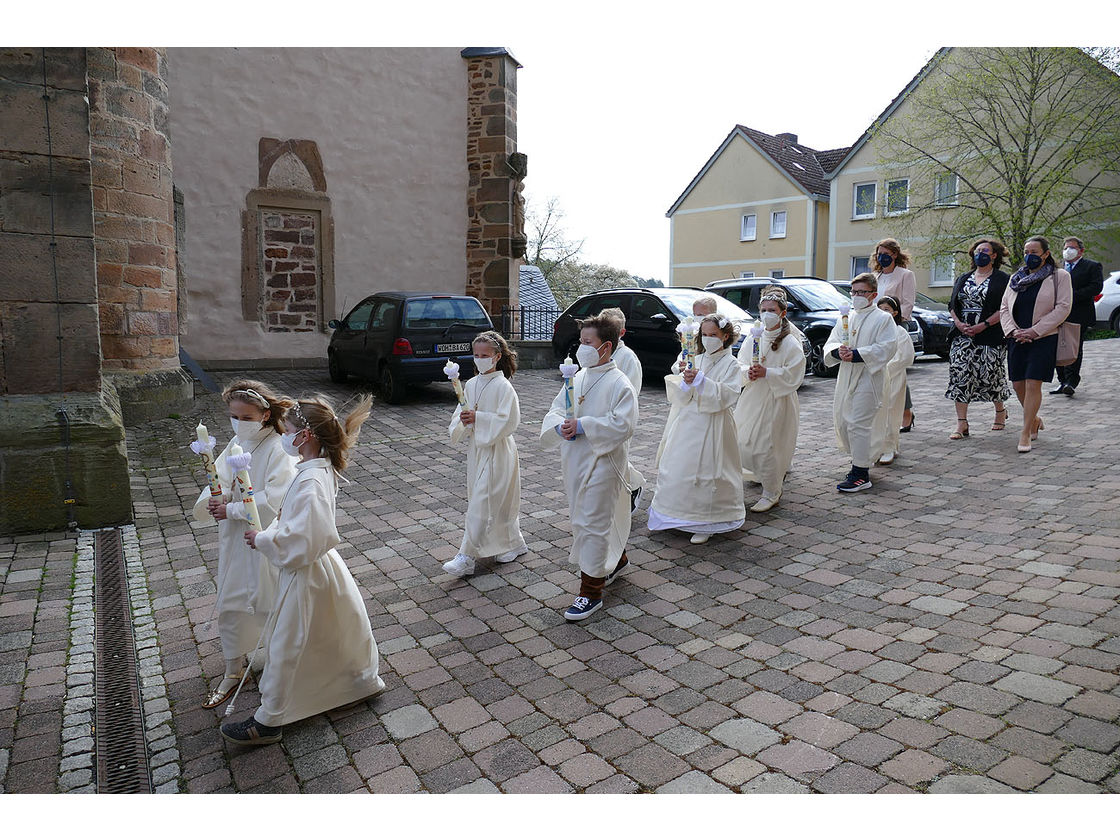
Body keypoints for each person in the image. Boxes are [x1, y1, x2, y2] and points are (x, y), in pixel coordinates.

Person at [221, 394, 384, 746]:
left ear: (306, 436)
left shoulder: (311, 481)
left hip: (306, 571)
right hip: (318, 569)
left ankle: (269, 719)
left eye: (290, 429)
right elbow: (296, 524)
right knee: (331, 628)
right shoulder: (315, 468)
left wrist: (264, 540)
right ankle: (355, 681)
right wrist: (270, 532)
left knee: (286, 641)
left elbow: (307, 535)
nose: (285, 435)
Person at [191, 380, 297, 710]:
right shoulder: (238, 440)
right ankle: (233, 668)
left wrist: (232, 508)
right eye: (233, 415)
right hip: (235, 541)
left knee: (268, 600)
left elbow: (278, 498)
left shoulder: (279, 447)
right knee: (232, 598)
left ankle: (280, 663)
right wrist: (216, 494)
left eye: (246, 417)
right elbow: (220, 475)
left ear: (265, 415)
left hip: (264, 539)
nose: (238, 423)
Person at [540, 312, 638, 621]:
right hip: (575, 460)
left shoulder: (619, 383)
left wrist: (583, 425)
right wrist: (560, 426)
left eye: (586, 342)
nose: (580, 347)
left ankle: (590, 592)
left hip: (603, 461)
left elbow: (623, 425)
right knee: (582, 518)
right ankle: (617, 559)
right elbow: (557, 408)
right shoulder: (578, 376)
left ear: (606, 347)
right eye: (580, 341)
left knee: (593, 523)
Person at [649, 314, 744, 543]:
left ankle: (706, 520)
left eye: (713, 335)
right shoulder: (697, 358)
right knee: (680, 463)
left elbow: (730, 394)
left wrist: (702, 382)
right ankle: (674, 514)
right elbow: (682, 395)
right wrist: (684, 377)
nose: (708, 339)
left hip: (714, 424)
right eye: (705, 335)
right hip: (689, 420)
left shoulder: (732, 364)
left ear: (725, 336)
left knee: (709, 467)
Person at [443, 331, 527, 577]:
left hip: (498, 450)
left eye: (485, 355)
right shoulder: (470, 384)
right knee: (492, 500)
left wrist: (478, 418)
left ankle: (466, 556)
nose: (479, 359)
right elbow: (460, 414)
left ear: (497, 356)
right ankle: (512, 542)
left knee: (483, 499)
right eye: (476, 355)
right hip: (478, 450)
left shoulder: (504, 387)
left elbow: (508, 420)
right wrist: (464, 421)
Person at [823, 273, 899, 492]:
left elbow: (887, 347)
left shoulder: (883, 319)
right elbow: (833, 341)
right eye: (853, 292)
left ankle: (860, 474)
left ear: (873, 294)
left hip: (868, 376)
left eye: (861, 292)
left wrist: (858, 354)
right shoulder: (846, 318)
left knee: (859, 422)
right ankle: (858, 462)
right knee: (845, 421)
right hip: (847, 375)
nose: (855, 296)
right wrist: (839, 352)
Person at [733, 286, 805, 512]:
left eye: (772, 310)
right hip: (754, 396)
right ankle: (757, 474)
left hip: (777, 399)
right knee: (744, 439)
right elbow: (740, 362)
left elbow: (795, 372)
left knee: (769, 444)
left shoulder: (790, 342)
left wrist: (769, 373)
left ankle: (772, 491)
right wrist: (748, 372)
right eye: (763, 310)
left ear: (782, 313)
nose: (766, 314)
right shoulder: (754, 337)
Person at [1000, 235, 1072, 453]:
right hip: (1017, 338)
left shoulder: (1059, 276)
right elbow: (1004, 307)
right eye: (1026, 252)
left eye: (1034, 252)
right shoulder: (1015, 278)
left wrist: (1034, 330)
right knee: (1018, 385)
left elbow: (1063, 307)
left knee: (1033, 383)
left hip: (1043, 338)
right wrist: (1013, 331)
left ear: (1046, 254)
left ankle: (1025, 432)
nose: (1029, 256)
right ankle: (1034, 419)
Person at [945, 239, 1011, 439]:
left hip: (990, 334)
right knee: (960, 375)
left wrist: (984, 325)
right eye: (977, 250)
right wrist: (958, 323)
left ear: (994, 255)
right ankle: (961, 423)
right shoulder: (963, 278)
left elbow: (1006, 307)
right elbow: (952, 304)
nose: (979, 253)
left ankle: (1000, 411)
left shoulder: (1002, 279)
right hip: (962, 335)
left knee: (991, 374)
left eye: (985, 251)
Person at [600, 307, 646, 510]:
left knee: (616, 457)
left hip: (617, 417)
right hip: (597, 416)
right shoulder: (597, 352)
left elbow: (631, 391)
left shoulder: (628, 358)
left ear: (621, 333)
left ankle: (633, 486)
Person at [872, 238, 917, 430]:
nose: (882, 257)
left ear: (895, 255)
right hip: (875, 327)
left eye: (886, 253)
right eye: (879, 253)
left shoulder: (905, 275)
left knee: (896, 371)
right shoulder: (875, 276)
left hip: (896, 326)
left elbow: (907, 302)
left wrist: (895, 321)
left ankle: (906, 411)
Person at [1052, 236, 1104, 397]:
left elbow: (1095, 287)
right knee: (1056, 348)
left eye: (1072, 247)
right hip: (1056, 315)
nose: (1068, 250)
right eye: (1066, 247)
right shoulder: (1057, 268)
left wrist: (1071, 296)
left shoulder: (1091, 266)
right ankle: (1062, 381)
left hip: (1079, 314)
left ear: (1081, 250)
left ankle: (1071, 381)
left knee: (1074, 348)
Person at [870, 296, 916, 466]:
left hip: (894, 377)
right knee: (875, 412)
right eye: (880, 309)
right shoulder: (874, 332)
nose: (883, 313)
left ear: (895, 313)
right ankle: (875, 446)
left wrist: (886, 368)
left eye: (887, 309)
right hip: (874, 377)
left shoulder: (900, 332)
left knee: (891, 410)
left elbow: (906, 357)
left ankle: (889, 446)